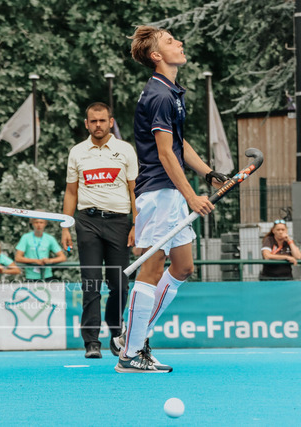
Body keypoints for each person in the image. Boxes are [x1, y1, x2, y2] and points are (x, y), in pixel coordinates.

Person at [113, 26, 228, 373]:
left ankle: (134, 334)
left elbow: (178, 144)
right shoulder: (160, 95)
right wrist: (192, 196)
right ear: (156, 56)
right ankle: (129, 353)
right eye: (169, 41)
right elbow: (165, 154)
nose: (179, 43)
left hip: (171, 191)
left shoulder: (171, 91)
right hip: (160, 192)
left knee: (183, 267)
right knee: (151, 268)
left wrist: (208, 173)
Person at [61, 102, 138, 359]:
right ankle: (91, 342)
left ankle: (116, 334)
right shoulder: (77, 152)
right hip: (88, 221)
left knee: (120, 285)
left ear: (110, 122)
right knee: (91, 283)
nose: (98, 125)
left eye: (102, 121)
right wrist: (66, 226)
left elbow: (134, 190)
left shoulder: (125, 150)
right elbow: (71, 192)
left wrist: (136, 224)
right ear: (86, 124)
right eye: (93, 121)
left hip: (119, 222)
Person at [15, 218, 66, 282]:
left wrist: (49, 260)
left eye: (41, 222)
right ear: (32, 224)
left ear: (45, 224)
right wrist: (35, 261)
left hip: (47, 276)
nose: (39, 225)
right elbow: (18, 258)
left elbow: (62, 257)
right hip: (30, 276)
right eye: (36, 222)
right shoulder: (26, 237)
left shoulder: (50, 238)